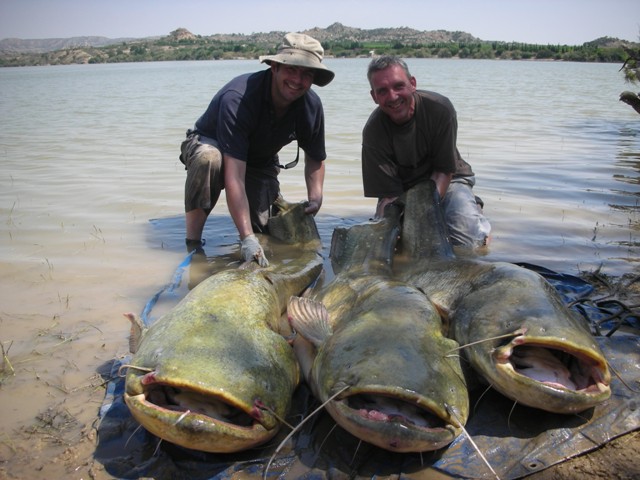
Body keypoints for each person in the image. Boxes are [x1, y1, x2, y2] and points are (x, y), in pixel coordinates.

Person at [179, 32, 334, 269]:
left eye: (307, 74)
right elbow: (234, 176)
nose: (297, 80)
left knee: (265, 230)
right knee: (210, 160)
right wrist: (246, 239)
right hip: (212, 144)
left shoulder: (311, 106)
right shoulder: (239, 98)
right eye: (291, 69)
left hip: (260, 159)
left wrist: (316, 196)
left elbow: (315, 157)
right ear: (274, 67)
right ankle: (193, 244)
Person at [361, 55, 491, 248]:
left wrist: (423, 214)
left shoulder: (440, 109)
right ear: (374, 96)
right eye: (382, 91)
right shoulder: (373, 132)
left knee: (466, 244)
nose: (393, 97)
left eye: (398, 86)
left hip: (450, 179)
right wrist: (387, 225)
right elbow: (389, 195)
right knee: (391, 245)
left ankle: (474, 214)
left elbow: (444, 172)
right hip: (403, 191)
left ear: (412, 83)